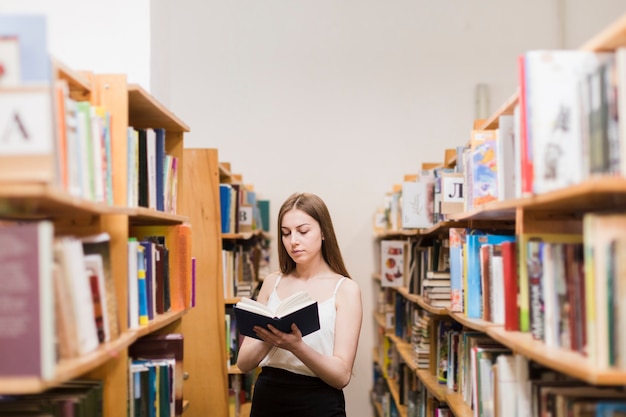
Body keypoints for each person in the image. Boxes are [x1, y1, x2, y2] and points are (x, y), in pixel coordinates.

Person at [236, 192, 363, 417]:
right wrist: (272, 337)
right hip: (268, 397)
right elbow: (243, 364)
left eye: (303, 231)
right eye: (286, 233)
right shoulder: (272, 282)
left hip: (319, 401)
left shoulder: (345, 289)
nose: (293, 241)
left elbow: (342, 376)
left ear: (323, 232)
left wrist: (296, 346)